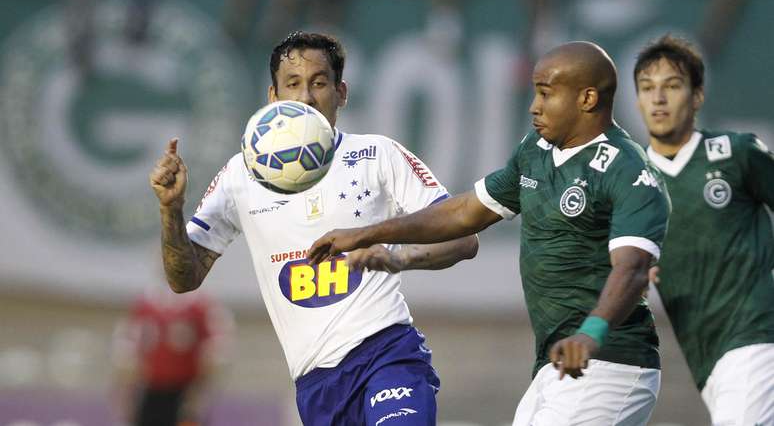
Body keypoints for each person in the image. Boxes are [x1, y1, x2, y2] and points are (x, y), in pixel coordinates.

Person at [309, 41, 671, 425]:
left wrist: (591, 333)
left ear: (587, 98)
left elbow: (632, 269)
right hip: (557, 363)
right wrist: (367, 235)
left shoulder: (629, 171)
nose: (534, 106)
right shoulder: (537, 151)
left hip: (611, 362)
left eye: (547, 94)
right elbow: (466, 213)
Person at [149, 31, 479, 426]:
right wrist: (172, 209)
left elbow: (463, 238)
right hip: (316, 386)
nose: (306, 97)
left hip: (388, 354)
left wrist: (396, 257)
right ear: (273, 97)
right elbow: (184, 279)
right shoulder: (241, 174)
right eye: (293, 84)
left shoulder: (377, 155)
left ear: (342, 93)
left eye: (319, 83)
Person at [632, 34, 774, 425]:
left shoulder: (736, 152)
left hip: (757, 332)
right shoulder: (632, 180)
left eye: (672, 86)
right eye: (647, 88)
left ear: (697, 97)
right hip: (705, 354)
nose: (658, 98)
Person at [112, 284, 233, 426]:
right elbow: (127, 355)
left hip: (185, 391)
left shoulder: (202, 306)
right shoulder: (144, 304)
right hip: (150, 389)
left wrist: (199, 391)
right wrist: (127, 391)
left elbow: (214, 354)